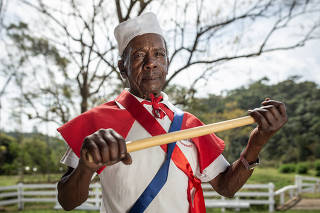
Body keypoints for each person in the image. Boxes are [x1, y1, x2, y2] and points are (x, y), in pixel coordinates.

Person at [57, 12, 287, 213]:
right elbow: (67, 201)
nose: (151, 63)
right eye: (138, 55)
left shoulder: (190, 124)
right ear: (122, 67)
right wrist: (86, 167)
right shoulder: (95, 123)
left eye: (159, 54)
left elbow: (226, 186)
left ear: (167, 62)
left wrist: (258, 141)